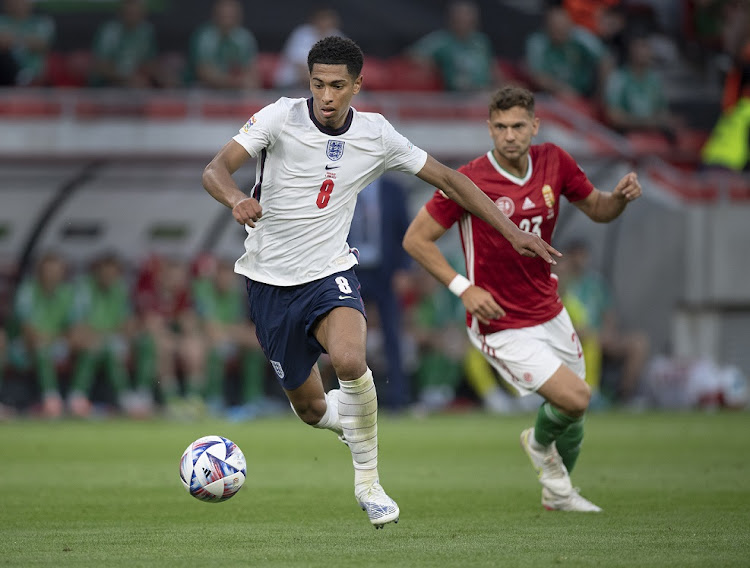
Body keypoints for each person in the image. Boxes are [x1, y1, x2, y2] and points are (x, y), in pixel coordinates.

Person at [201, 36, 558, 528]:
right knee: (309, 409)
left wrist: (512, 230)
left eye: (338, 86)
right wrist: (235, 199)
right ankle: (353, 424)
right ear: (309, 82)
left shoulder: (378, 134)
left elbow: (451, 181)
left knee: (349, 359)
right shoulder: (278, 117)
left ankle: (369, 483)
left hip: (330, 272)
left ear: (358, 85)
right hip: (268, 283)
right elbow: (215, 169)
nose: (327, 96)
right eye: (319, 84)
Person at [402, 85, 642, 512]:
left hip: (549, 310)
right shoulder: (469, 179)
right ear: (489, 129)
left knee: (573, 418)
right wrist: (465, 288)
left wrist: (619, 200)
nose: (509, 135)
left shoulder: (555, 162)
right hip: (499, 320)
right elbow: (416, 240)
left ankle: (558, 495)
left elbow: (599, 209)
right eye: (500, 127)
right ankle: (536, 441)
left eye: (517, 126)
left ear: (535, 125)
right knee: (575, 398)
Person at [346, 177, 412, 410]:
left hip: (386, 273)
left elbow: (406, 230)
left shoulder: (393, 189)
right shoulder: (343, 185)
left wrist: (404, 269)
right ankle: (348, 398)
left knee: (392, 335)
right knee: (346, 336)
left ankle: (397, 397)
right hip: (349, 270)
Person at [564, 240, 650, 404]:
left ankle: (625, 396)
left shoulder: (596, 283)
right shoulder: (564, 284)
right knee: (590, 338)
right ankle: (590, 393)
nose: (580, 259)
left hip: (601, 336)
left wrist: (608, 333)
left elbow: (609, 315)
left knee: (639, 343)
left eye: (583, 254)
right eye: (575, 254)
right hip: (577, 337)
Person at [192, 256, 269, 419]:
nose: (228, 280)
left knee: (256, 347)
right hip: (202, 340)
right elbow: (209, 328)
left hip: (229, 339)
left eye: (231, 276)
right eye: (224, 275)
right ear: (216, 275)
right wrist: (230, 332)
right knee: (216, 347)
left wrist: (229, 332)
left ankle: (253, 400)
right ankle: (211, 400)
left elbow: (240, 326)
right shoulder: (203, 289)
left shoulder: (235, 294)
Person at [66, 253, 137, 418]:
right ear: (97, 272)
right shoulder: (83, 289)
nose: (108, 277)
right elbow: (77, 324)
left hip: (110, 340)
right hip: (83, 338)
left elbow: (126, 323)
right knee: (94, 345)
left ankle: (127, 397)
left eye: (113, 273)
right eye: (105, 273)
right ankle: (76, 396)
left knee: (112, 347)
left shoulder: (120, 290)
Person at [11, 252, 74, 418]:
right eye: (48, 270)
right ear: (40, 272)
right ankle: (51, 399)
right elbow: (27, 329)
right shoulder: (28, 290)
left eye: (56, 271)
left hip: (57, 343)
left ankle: (77, 398)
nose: (52, 275)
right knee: (40, 346)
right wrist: (46, 339)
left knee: (95, 346)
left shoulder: (67, 293)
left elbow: (74, 328)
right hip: (23, 347)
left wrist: (58, 338)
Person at [407, 0, 495, 92]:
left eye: (467, 16)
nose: (463, 19)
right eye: (459, 16)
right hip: (455, 96)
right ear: (451, 18)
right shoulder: (442, 40)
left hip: (482, 94)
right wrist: (435, 67)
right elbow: (413, 54)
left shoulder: (481, 41)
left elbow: (491, 66)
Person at [525, 4, 611, 99]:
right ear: (547, 27)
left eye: (563, 28)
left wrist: (600, 95)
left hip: (582, 95)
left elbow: (606, 60)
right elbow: (537, 76)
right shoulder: (538, 42)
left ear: (570, 25)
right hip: (547, 93)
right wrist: (561, 89)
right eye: (555, 28)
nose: (559, 33)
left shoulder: (582, 38)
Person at [603, 34, 677, 139]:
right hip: (625, 136)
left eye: (647, 47)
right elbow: (614, 116)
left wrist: (659, 121)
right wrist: (647, 122)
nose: (645, 52)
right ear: (631, 51)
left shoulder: (654, 80)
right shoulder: (618, 78)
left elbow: (663, 113)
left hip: (652, 135)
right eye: (641, 47)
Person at [187, 0, 259, 90]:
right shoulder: (205, 36)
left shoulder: (245, 37)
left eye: (231, 16)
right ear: (215, 15)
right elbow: (203, 72)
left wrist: (247, 81)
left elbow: (252, 71)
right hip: (204, 91)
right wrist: (233, 82)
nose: (227, 20)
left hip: (236, 92)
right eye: (224, 15)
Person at [88, 0, 160, 88]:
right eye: (129, 13)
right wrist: (127, 78)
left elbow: (149, 62)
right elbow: (100, 66)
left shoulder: (146, 31)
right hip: (107, 84)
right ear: (121, 13)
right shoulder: (110, 31)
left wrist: (161, 75)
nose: (133, 17)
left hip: (136, 82)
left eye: (137, 13)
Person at [274, 6, 343, 89]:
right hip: (291, 86)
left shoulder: (338, 36)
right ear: (315, 20)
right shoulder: (302, 35)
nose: (326, 23)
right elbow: (303, 72)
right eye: (323, 19)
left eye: (329, 19)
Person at [0, 0, 54, 85]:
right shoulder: (2, 20)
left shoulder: (41, 22)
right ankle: (19, 76)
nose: (18, 4)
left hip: (34, 74)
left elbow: (41, 44)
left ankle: (23, 77)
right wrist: (26, 39)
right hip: (5, 74)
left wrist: (12, 39)